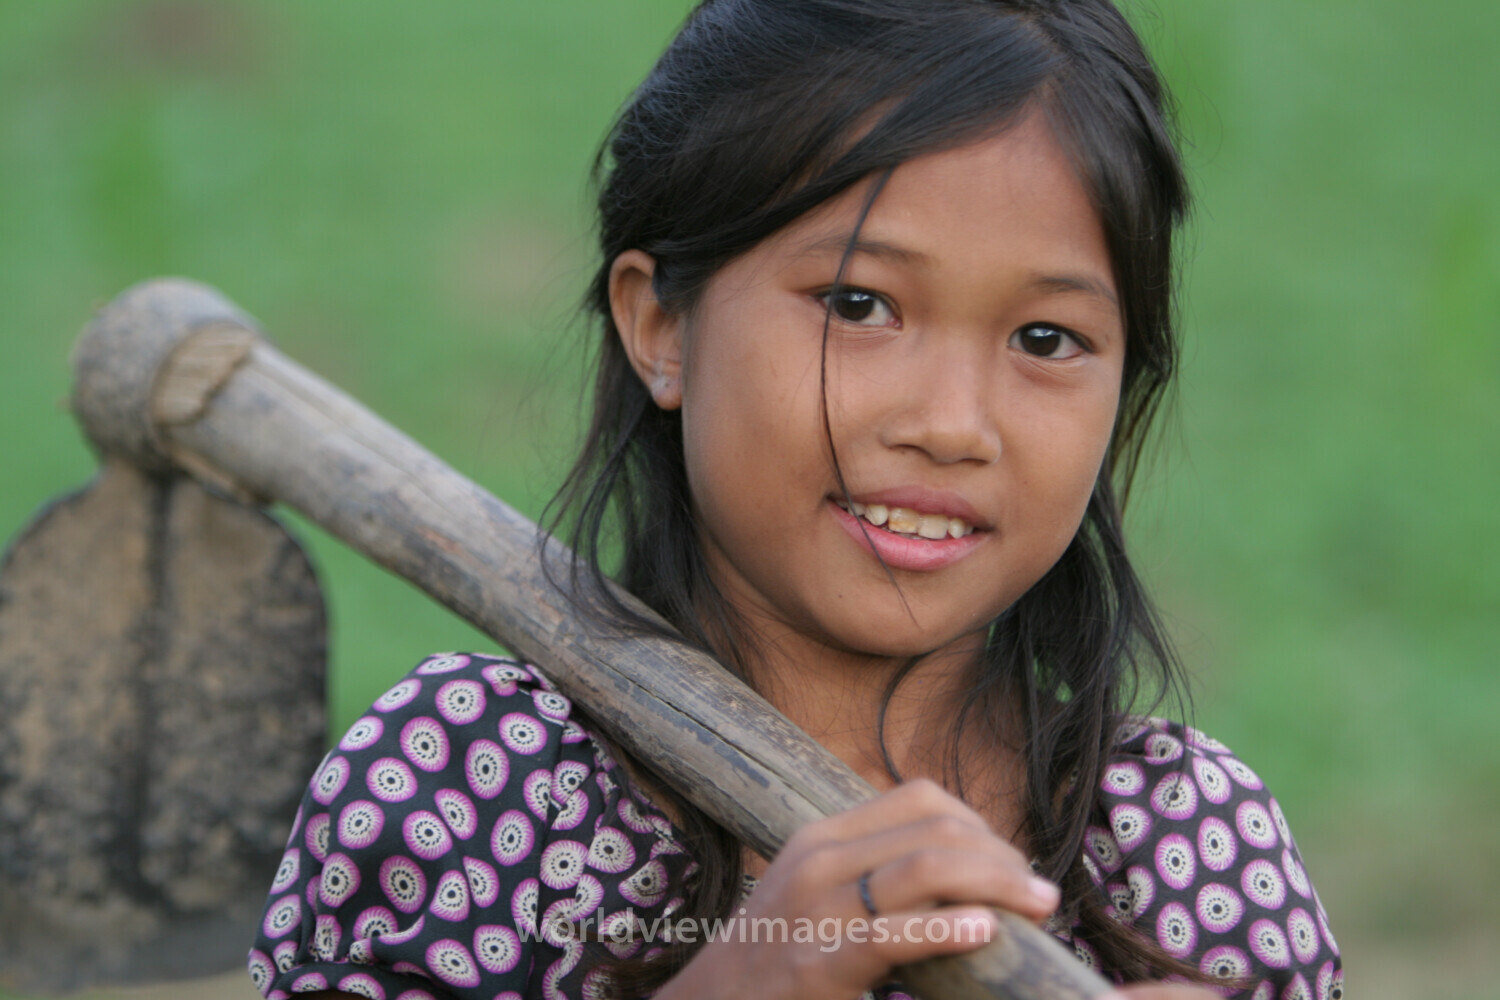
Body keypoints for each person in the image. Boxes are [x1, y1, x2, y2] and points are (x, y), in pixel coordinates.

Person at [250, 2, 1343, 998]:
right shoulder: (479, 786)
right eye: (860, 303)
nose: (953, 422)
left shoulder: (1176, 845)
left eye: (1046, 339)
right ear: (661, 326)